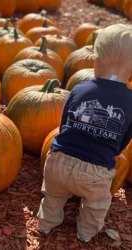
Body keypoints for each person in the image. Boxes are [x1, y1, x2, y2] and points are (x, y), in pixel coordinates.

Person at [37, 23, 132, 243]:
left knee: (52, 197)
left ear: (96, 62)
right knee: (95, 205)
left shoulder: (79, 89)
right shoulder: (129, 102)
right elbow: (126, 134)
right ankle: (86, 233)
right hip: (95, 172)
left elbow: (64, 122)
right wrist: (115, 151)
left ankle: (46, 224)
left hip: (58, 162)